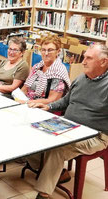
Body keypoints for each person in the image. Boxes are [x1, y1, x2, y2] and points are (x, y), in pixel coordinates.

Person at [27, 43, 108, 199]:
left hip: (95, 136)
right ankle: (56, 173)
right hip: (68, 125)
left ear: (103, 62)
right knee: (32, 132)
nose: (83, 62)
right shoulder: (81, 78)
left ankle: (43, 194)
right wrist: (47, 105)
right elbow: (65, 101)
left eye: (89, 58)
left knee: (58, 148)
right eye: (84, 57)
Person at [20, 35, 70, 104]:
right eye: (43, 50)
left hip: (45, 109)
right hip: (28, 103)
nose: (46, 53)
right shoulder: (37, 67)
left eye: (50, 50)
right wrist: (17, 98)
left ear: (58, 51)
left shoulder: (58, 72)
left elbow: (52, 101)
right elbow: (25, 88)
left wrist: (27, 102)